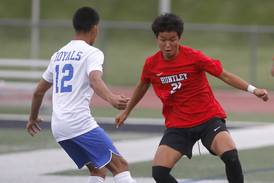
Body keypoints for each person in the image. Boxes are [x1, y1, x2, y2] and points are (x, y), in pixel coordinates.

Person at [115, 13, 269, 183]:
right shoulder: (151, 64)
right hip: (178, 125)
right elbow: (142, 86)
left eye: (172, 39)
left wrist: (253, 90)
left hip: (208, 119)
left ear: (179, 38)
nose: (167, 45)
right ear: (156, 38)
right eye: (163, 40)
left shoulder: (194, 57)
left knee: (230, 155)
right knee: (159, 173)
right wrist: (126, 112)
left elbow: (224, 75)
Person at [26, 7, 137, 183]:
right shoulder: (92, 52)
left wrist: (32, 118)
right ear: (95, 28)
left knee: (98, 171)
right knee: (120, 166)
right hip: (78, 123)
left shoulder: (58, 55)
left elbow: (38, 91)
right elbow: (94, 79)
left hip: (59, 128)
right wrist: (112, 98)